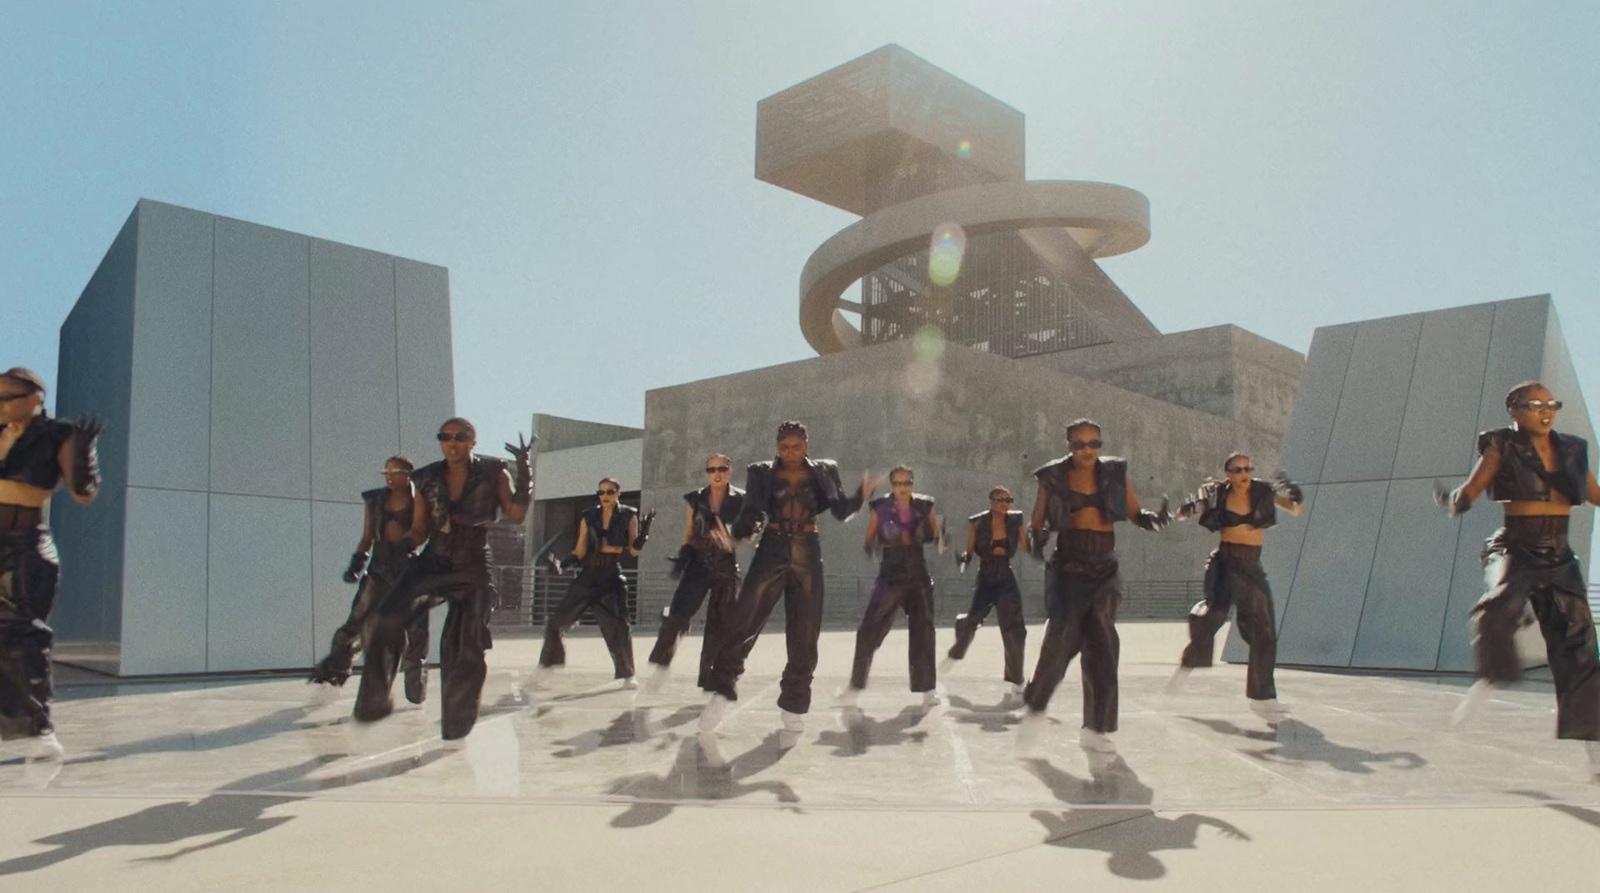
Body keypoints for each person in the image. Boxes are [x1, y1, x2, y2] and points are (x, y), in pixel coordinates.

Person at [1437, 381, 1600, 779]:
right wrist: (1454, 500)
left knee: (1580, 648)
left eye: (1551, 404)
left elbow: (1594, 492)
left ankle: (1595, 748)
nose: (1546, 411)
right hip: (1516, 545)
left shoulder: (1574, 449)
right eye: (1535, 404)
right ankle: (1489, 678)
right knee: (1498, 609)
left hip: (1560, 553)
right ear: (1514, 410)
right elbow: (1473, 487)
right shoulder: (1501, 444)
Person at [352, 418, 530, 745]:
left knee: (464, 645)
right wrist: (402, 545)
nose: (451, 442)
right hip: (434, 557)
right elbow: (420, 528)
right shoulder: (427, 477)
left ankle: (456, 725)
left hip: (473, 561)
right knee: (386, 615)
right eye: (445, 437)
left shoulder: (494, 473)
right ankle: (374, 700)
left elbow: (516, 515)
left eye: (459, 437)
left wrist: (525, 474)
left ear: (473, 442)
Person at [700, 421, 876, 733]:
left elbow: (838, 509)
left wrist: (861, 497)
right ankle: (721, 693)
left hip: (807, 548)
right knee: (744, 620)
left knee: (805, 631)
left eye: (796, 447)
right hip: (773, 547)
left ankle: (793, 705)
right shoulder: (761, 472)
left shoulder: (824, 470)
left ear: (807, 445)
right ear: (776, 447)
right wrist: (737, 534)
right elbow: (752, 511)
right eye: (784, 447)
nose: (790, 453)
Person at [1018, 419, 1169, 755]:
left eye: (1093, 444)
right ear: (1068, 446)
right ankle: (1036, 702)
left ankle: (1096, 727)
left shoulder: (1114, 472)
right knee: (1063, 637)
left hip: (1104, 565)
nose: (1087, 451)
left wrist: (1153, 519)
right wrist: (1035, 540)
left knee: (1102, 639)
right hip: (1068, 566)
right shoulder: (1053, 476)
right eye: (1079, 445)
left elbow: (1132, 511)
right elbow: (1037, 520)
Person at [0, 368, 100, 762]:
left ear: (35, 396)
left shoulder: (59, 434)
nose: (2, 404)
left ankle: (38, 731)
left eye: (9, 395)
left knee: (24, 635)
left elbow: (84, 493)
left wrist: (85, 455)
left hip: (26, 544)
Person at [1167, 453, 1304, 721]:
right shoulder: (1217, 493)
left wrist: (1295, 493)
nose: (1244, 473)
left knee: (1264, 630)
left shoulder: (1263, 491)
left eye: (1248, 468)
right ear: (1228, 472)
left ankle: (1263, 698)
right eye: (1238, 469)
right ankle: (1188, 660)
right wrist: (1186, 509)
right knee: (1213, 618)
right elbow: (1186, 512)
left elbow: (1295, 509)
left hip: (1251, 566)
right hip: (1226, 563)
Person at [308, 456, 430, 704]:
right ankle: (334, 679)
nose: (388, 475)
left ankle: (416, 687)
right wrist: (357, 563)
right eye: (385, 471)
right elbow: (367, 538)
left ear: (407, 474)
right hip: (378, 571)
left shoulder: (421, 499)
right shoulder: (374, 500)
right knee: (351, 628)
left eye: (393, 471)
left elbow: (422, 534)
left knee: (416, 634)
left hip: (409, 573)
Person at [839, 465, 942, 708]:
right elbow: (870, 539)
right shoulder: (880, 506)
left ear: (913, 484)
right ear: (892, 485)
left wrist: (939, 537)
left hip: (917, 571)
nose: (902, 488)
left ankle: (927, 689)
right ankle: (855, 686)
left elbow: (936, 535)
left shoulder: (925, 505)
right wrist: (876, 544)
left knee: (924, 631)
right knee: (868, 631)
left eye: (907, 483)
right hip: (891, 573)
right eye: (897, 483)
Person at [536, 476, 653, 687]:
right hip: (588, 574)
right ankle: (548, 665)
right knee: (557, 620)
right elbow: (580, 550)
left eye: (609, 492)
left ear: (618, 492)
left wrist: (643, 536)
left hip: (611, 574)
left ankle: (627, 674)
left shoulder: (628, 515)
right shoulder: (589, 516)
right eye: (601, 492)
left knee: (620, 626)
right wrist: (562, 565)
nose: (605, 496)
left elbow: (633, 551)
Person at [644, 454, 744, 692]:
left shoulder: (741, 500)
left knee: (720, 623)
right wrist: (683, 555)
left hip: (726, 565)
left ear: (729, 471)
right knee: (677, 614)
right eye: (711, 469)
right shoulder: (695, 499)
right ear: (707, 473)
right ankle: (661, 664)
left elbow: (747, 531)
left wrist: (734, 539)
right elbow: (689, 532)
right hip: (698, 563)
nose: (716, 473)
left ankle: (709, 678)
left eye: (721, 468)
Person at [942, 486, 1028, 703]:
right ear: (991, 501)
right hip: (987, 577)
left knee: (1015, 629)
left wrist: (1038, 538)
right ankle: (959, 644)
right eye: (1000, 499)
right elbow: (970, 552)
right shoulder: (978, 522)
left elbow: (1027, 547)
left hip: (1006, 576)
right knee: (972, 621)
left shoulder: (1016, 520)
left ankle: (1017, 681)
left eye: (1008, 500)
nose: (1004, 503)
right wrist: (962, 560)